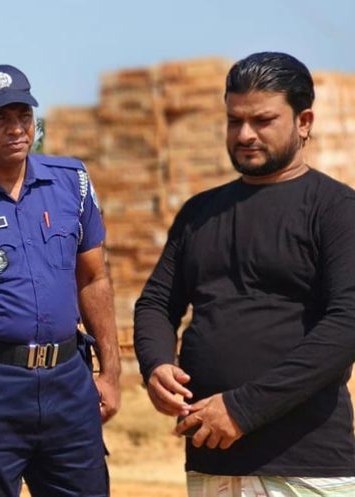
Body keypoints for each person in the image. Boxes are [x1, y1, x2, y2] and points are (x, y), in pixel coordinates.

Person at [134, 52, 355, 496]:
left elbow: (346, 326)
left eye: (262, 120)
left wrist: (242, 409)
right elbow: (157, 302)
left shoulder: (336, 209)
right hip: (212, 460)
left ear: (304, 122)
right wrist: (155, 363)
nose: (245, 134)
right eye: (234, 121)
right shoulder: (200, 213)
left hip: (305, 466)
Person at [0, 64, 121, 497]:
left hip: (68, 381)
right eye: (0, 119)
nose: (16, 128)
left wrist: (111, 372)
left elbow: (93, 279)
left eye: (23, 116)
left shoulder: (71, 183)